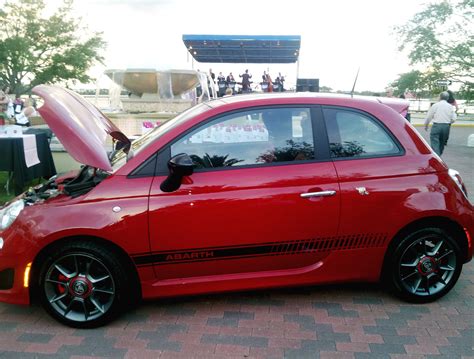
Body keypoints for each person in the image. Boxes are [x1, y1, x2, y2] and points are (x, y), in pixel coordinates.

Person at [424, 91, 456, 156]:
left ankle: (437, 157)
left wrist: (426, 125)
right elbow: (454, 118)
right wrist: (449, 122)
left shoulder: (435, 105)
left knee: (434, 143)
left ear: (440, 97)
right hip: (446, 126)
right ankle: (439, 156)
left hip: (436, 125)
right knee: (442, 143)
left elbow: (429, 116)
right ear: (447, 98)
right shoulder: (450, 106)